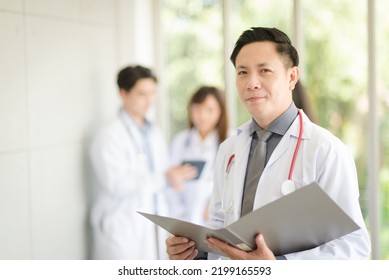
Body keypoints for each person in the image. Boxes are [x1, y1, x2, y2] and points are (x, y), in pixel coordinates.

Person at [165, 27, 371, 260]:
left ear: (292, 77)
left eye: (264, 70)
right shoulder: (229, 149)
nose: (252, 83)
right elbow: (219, 225)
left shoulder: (326, 150)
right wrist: (194, 252)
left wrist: (278, 267)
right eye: (242, 72)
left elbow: (353, 245)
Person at [89, 65, 196, 259]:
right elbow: (117, 184)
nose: (150, 100)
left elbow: (160, 172)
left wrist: (173, 178)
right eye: (142, 94)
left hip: (151, 227)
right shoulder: (109, 135)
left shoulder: (153, 131)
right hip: (122, 225)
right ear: (123, 93)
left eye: (152, 93)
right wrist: (164, 178)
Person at [167, 86, 229, 226]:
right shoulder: (180, 141)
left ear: (220, 111)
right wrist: (179, 216)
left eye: (209, 110)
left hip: (217, 220)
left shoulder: (231, 140)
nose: (202, 116)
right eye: (197, 109)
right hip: (184, 219)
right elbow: (172, 185)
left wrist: (215, 205)